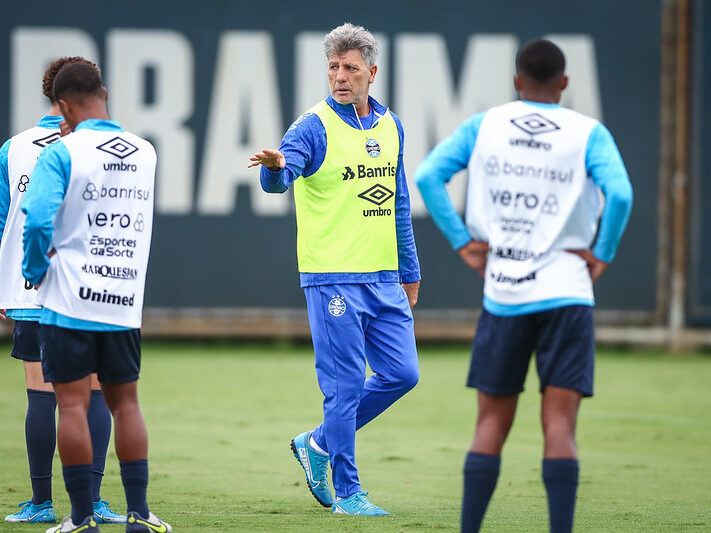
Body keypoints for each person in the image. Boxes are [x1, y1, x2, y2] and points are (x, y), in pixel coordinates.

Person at [414, 39, 633, 532]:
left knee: (490, 424)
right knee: (559, 427)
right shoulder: (587, 132)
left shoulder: (485, 124)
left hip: (504, 290)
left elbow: (428, 176)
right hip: (566, 292)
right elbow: (620, 193)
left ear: (516, 81)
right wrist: (603, 252)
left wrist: (463, 242)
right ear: (564, 83)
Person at [249, 22, 421, 516]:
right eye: (332, 67)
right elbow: (283, 177)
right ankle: (348, 491)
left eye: (349, 67)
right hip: (333, 277)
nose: (339, 76)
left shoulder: (392, 125)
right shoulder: (312, 126)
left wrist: (410, 271)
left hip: (385, 276)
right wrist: (277, 167)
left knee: (402, 374)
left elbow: (399, 203)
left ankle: (317, 443)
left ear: (371, 71)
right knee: (344, 386)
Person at [22, 61, 170, 533]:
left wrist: (34, 271)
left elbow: (39, 223)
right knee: (126, 403)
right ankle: (139, 514)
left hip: (68, 303)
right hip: (123, 300)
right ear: (104, 92)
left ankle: (82, 518)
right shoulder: (145, 151)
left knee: (70, 406)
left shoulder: (61, 153)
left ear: (62, 105)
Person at [0, 56, 125, 525]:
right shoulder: (112, 146)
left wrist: (7, 281)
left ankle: (40, 503)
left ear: (51, 96)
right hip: (90, 288)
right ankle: (92, 501)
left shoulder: (13, 148)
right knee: (94, 393)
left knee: (41, 394)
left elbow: (5, 221)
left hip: (31, 290)